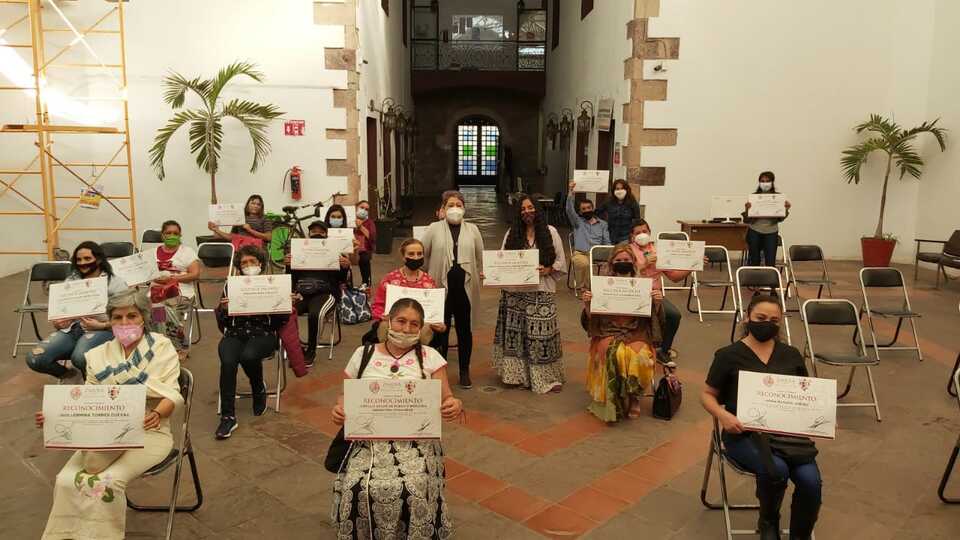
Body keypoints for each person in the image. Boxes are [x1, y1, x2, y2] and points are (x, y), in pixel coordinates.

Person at [36, 290, 183, 539]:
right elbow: (88, 401)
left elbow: (172, 394)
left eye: (131, 316)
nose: (125, 323)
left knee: (108, 482)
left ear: (143, 318)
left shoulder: (161, 346)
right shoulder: (98, 355)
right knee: (65, 480)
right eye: (117, 317)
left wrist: (157, 414)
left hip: (150, 430)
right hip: (104, 432)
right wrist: (55, 415)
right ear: (110, 321)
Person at [330, 298, 461, 539]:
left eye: (414, 324)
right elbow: (344, 396)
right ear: (388, 321)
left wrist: (454, 405)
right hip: (369, 442)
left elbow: (447, 398)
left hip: (416, 443)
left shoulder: (430, 356)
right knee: (356, 486)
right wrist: (339, 410)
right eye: (401, 321)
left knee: (415, 487)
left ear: (421, 328)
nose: (406, 329)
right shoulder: (363, 354)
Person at [701, 295, 821, 540]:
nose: (767, 323)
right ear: (747, 318)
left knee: (811, 482)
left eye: (774, 320)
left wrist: (820, 417)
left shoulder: (791, 355)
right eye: (761, 318)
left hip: (789, 435)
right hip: (744, 433)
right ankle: (769, 520)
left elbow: (807, 393)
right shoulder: (728, 355)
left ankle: (801, 535)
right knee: (776, 470)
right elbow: (706, 395)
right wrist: (723, 415)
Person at [493, 194, 567, 394]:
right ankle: (516, 375)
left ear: (537, 210)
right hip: (515, 292)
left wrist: (549, 270)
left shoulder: (551, 232)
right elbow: (501, 260)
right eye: (523, 209)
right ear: (519, 213)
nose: (527, 211)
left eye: (531, 208)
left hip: (540, 291)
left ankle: (547, 377)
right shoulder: (512, 233)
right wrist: (492, 273)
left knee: (541, 336)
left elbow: (560, 261)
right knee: (516, 335)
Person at [214, 245, 290, 439]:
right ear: (239, 268)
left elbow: (280, 323)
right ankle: (228, 416)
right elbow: (222, 324)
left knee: (248, 356)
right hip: (235, 333)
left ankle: (258, 386)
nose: (248, 266)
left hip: (262, 333)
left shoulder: (273, 284)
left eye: (252, 262)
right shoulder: (231, 285)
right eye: (244, 263)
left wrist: (285, 305)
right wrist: (222, 310)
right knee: (228, 361)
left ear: (260, 264)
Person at [25, 241, 130, 379]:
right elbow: (61, 312)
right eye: (79, 259)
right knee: (35, 358)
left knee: (80, 358)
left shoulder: (115, 283)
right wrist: (58, 321)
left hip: (104, 330)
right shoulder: (70, 281)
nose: (82, 263)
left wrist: (102, 325)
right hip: (73, 329)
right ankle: (70, 376)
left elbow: (128, 318)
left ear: (98, 259)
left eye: (87, 258)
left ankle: (93, 383)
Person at [581, 245, 660, 422]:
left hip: (636, 330)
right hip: (609, 329)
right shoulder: (602, 284)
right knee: (614, 354)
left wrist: (657, 303)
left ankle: (634, 398)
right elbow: (591, 319)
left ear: (633, 262)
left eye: (626, 260)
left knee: (639, 357)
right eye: (618, 261)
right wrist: (587, 304)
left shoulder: (643, 283)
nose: (622, 263)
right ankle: (613, 398)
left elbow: (654, 317)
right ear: (611, 263)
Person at [422, 190, 484, 389]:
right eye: (450, 205)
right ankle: (440, 372)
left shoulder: (473, 229)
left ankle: (464, 371)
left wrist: (482, 272)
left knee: (465, 330)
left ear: (464, 208)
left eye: (458, 205)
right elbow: (423, 255)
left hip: (464, 288)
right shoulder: (433, 228)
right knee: (441, 331)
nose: (455, 208)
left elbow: (480, 257)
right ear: (443, 208)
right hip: (440, 289)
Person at [628, 219, 694, 363]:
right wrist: (644, 265)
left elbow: (675, 277)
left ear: (650, 233)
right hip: (633, 293)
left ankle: (663, 350)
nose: (642, 234)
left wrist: (692, 266)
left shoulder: (659, 251)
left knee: (673, 315)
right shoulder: (627, 251)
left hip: (655, 294)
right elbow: (625, 275)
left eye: (644, 231)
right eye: (637, 233)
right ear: (632, 236)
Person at [286, 220, 351, 365]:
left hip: (326, 293)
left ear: (326, 235)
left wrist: (345, 267)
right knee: (284, 311)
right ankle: (295, 348)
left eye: (321, 232)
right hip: (302, 292)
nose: (317, 234)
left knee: (316, 314)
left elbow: (342, 281)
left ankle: (311, 351)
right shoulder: (301, 251)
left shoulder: (335, 252)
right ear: (308, 234)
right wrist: (288, 266)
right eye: (313, 232)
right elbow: (292, 278)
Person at [364, 238, 446, 344]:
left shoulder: (429, 282)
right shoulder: (390, 279)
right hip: (395, 324)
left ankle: (420, 358)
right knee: (384, 326)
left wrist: (439, 324)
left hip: (419, 326)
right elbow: (377, 305)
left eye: (419, 254)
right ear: (403, 257)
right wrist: (382, 315)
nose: (416, 257)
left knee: (427, 329)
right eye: (411, 254)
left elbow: (434, 311)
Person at [149, 220, 200, 360]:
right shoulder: (152, 253)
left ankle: (175, 345)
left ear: (180, 235)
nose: (172, 235)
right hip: (155, 291)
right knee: (147, 307)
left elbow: (195, 274)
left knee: (162, 308)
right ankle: (165, 343)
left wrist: (172, 279)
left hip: (181, 291)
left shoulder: (187, 252)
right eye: (168, 233)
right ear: (162, 235)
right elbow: (144, 273)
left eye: (175, 233)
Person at [566, 181, 610, 295]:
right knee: (586, 264)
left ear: (593, 208)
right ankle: (586, 288)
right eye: (583, 209)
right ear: (580, 211)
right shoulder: (578, 222)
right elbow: (569, 210)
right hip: (580, 254)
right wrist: (571, 191)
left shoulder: (603, 224)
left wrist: (609, 254)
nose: (586, 210)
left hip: (597, 254)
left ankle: (594, 288)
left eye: (588, 208)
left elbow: (607, 241)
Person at [742, 171, 791, 267]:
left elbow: (780, 219)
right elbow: (746, 220)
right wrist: (747, 209)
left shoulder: (778, 198)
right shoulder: (753, 197)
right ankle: (754, 280)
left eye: (767, 181)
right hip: (754, 231)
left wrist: (786, 209)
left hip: (771, 231)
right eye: (762, 181)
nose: (765, 183)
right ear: (759, 182)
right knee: (754, 260)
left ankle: (770, 280)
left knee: (770, 261)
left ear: (772, 182)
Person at [208, 193, 274, 246]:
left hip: (256, 249)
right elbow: (231, 237)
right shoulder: (240, 218)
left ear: (261, 207)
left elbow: (268, 237)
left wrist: (250, 230)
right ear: (248, 204)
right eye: (253, 203)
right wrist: (216, 230)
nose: (255, 206)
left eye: (258, 204)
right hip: (240, 248)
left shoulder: (265, 218)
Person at [597, 179, 642, 244]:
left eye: (622, 188)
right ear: (614, 190)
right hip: (610, 236)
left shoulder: (633, 202)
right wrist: (605, 223)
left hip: (626, 237)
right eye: (617, 189)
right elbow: (598, 212)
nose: (620, 191)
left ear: (626, 189)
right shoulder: (608, 202)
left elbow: (637, 220)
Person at [354, 199, 377, 287]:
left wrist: (361, 226)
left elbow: (372, 237)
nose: (363, 210)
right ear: (356, 207)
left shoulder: (369, 222)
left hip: (364, 248)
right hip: (351, 247)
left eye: (366, 209)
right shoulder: (350, 219)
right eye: (362, 207)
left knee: (364, 261)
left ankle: (366, 283)